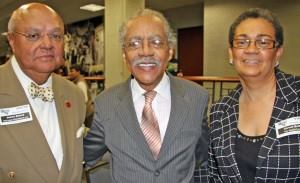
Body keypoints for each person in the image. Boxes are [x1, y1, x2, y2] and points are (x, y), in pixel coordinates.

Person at [84, 9, 209, 183]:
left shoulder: (197, 97)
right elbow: (86, 155)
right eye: (134, 44)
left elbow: (202, 156)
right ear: (124, 55)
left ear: (170, 51)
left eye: (156, 42)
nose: (145, 52)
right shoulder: (106, 103)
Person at [208, 8, 300, 182]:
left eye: (263, 42)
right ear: (231, 53)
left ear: (278, 52)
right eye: (242, 42)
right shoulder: (219, 111)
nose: (251, 49)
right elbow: (214, 176)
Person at [0, 3, 86, 183]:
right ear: (12, 40)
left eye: (56, 36)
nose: (47, 44)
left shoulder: (74, 95)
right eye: (33, 35)